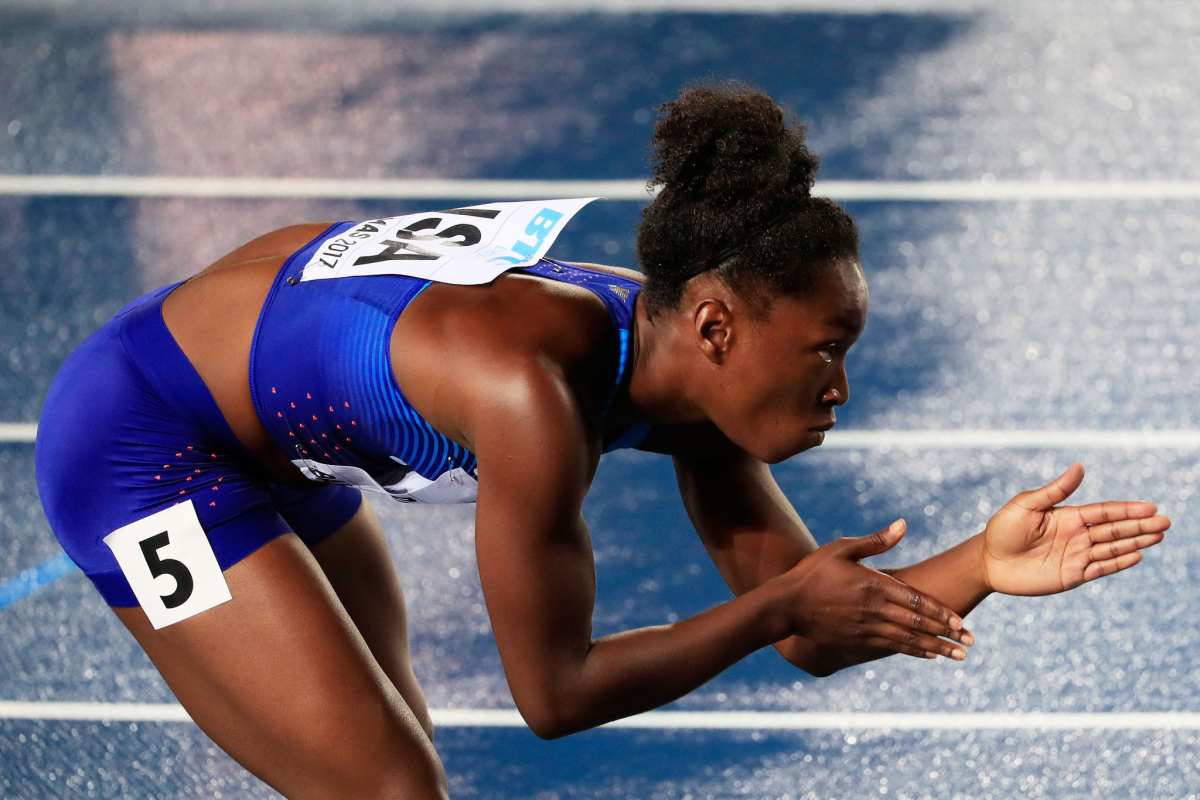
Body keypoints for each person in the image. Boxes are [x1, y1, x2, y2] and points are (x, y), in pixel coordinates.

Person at [34, 83, 1169, 799]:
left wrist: (984, 561)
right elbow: (555, 693)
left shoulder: (684, 362)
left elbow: (807, 617)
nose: (842, 385)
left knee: (380, 765)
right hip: (142, 442)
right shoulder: (534, 394)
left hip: (272, 421)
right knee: (386, 786)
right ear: (721, 323)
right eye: (826, 348)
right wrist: (776, 607)